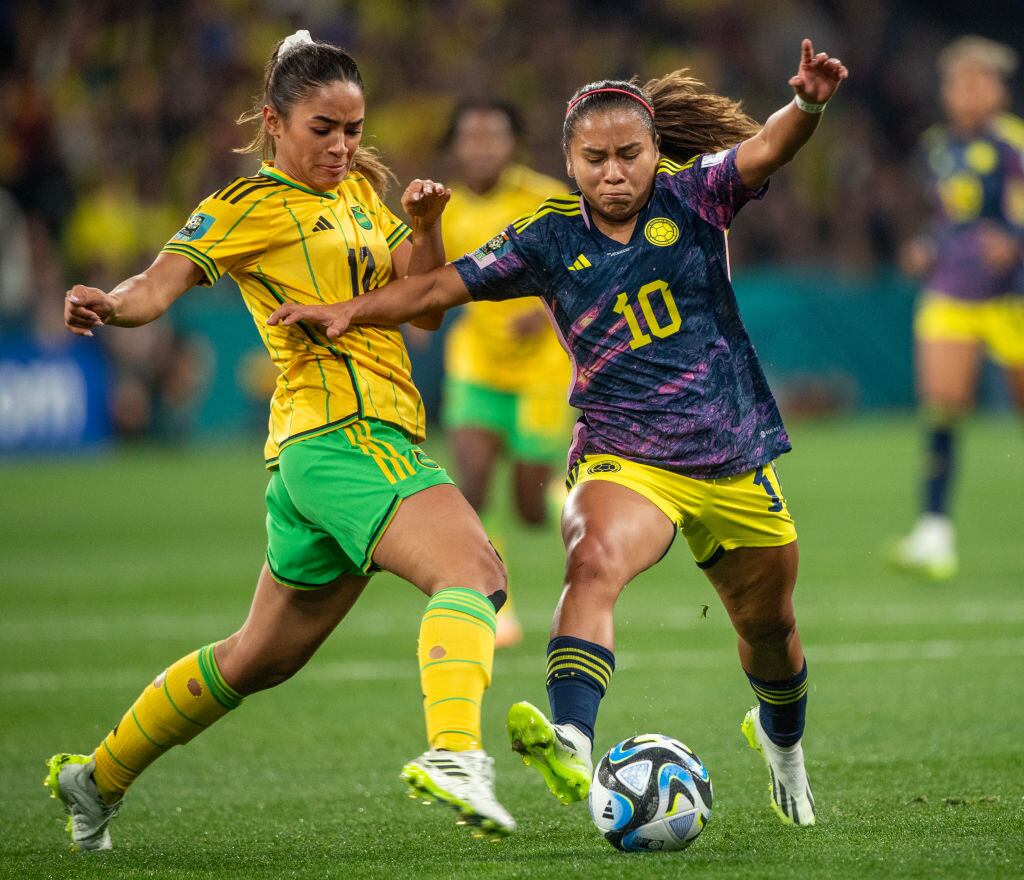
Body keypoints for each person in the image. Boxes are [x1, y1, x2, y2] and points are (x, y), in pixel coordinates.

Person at [268, 39, 848, 828]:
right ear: (569, 163)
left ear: (652, 152)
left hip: (730, 451)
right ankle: (572, 737)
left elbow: (771, 143)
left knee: (771, 630)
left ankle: (783, 745)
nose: (615, 173)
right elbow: (440, 286)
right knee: (593, 560)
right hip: (625, 454)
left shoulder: (697, 196)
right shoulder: (546, 238)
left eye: (629, 155)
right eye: (596, 158)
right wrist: (347, 311)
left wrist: (809, 102)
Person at [50, 31, 516, 852]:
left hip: (331, 450)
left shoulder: (358, 197)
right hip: (341, 436)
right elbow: (157, 284)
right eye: (323, 129)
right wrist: (108, 303)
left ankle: (97, 778)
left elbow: (428, 309)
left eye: (354, 129)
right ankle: (454, 753)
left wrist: (425, 227)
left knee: (257, 660)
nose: (342, 146)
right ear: (274, 121)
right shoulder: (246, 207)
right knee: (473, 570)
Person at [438, 100, 571, 647]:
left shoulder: (546, 199)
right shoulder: (442, 211)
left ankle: (574, 505)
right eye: (471, 136)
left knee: (530, 506)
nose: (482, 146)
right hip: (476, 362)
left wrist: (542, 313)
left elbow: (581, 267)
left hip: (540, 369)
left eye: (494, 135)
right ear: (456, 147)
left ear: (512, 143)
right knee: (470, 485)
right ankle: (499, 608)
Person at [892, 36, 1024, 580]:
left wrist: (1014, 237)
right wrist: (925, 243)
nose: (967, 93)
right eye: (958, 82)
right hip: (952, 290)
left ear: (999, 89)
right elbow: (943, 216)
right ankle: (933, 531)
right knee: (942, 407)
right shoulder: (936, 147)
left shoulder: (1013, 143)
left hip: (1012, 296)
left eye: (979, 81)